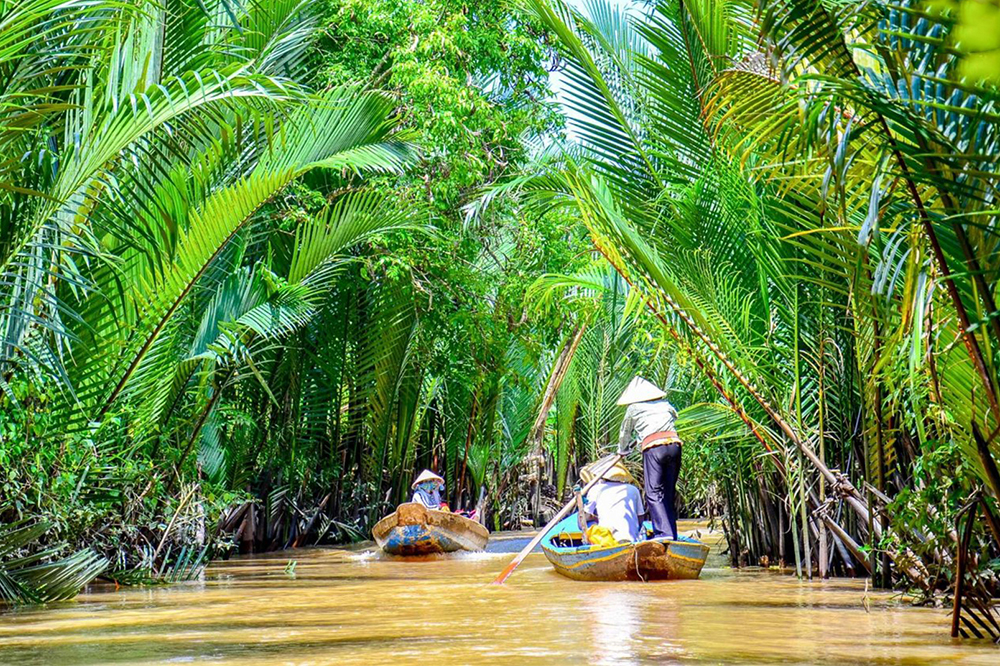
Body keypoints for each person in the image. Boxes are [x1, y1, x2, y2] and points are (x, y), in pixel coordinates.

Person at [616, 376, 682, 540]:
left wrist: (622, 450)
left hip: (654, 448)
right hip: (674, 446)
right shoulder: (665, 404)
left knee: (653, 493)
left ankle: (663, 533)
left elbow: (625, 433)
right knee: (668, 492)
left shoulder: (633, 408)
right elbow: (673, 418)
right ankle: (672, 533)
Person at [580, 459, 642, 542]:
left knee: (590, 525)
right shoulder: (633, 489)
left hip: (608, 540)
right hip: (632, 539)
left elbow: (582, 520)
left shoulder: (596, 489)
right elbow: (640, 518)